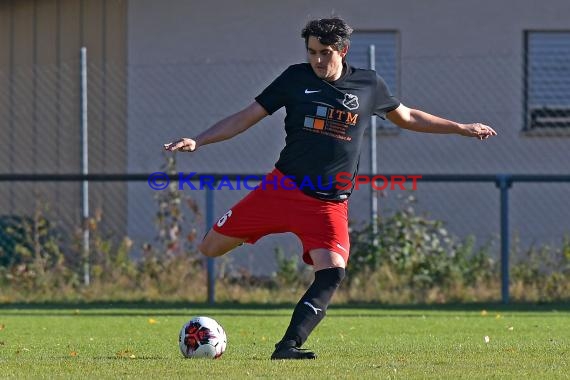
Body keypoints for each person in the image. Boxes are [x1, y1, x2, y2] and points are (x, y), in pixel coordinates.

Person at [164, 17, 497, 360]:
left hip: (328, 205)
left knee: (332, 273)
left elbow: (408, 117)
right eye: (312, 52)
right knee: (210, 249)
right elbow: (246, 116)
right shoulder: (295, 78)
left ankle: (287, 347)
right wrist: (199, 140)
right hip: (281, 190)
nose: (317, 60)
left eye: (324, 53)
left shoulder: (369, 85)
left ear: (343, 50)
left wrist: (460, 127)